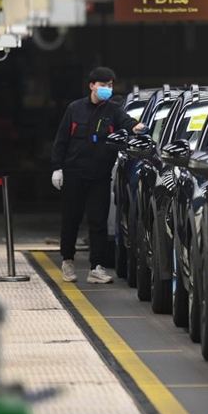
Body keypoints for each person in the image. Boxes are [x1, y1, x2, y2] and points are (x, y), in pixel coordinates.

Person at [51, 67, 146, 284]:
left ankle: (96, 267)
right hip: (74, 174)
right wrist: (57, 168)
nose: (107, 89)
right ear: (92, 86)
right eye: (103, 85)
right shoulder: (74, 109)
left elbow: (127, 122)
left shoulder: (112, 110)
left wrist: (136, 128)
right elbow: (61, 140)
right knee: (71, 220)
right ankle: (68, 261)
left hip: (100, 176)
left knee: (98, 222)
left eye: (110, 86)